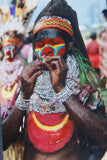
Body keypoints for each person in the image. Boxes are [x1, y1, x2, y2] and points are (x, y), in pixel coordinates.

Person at [2, 0, 107, 160]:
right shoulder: (27, 81)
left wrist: (61, 90)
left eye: (54, 43)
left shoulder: (84, 81)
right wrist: (24, 96)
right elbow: (3, 141)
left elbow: (103, 136)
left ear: (70, 43)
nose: (47, 51)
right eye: (40, 44)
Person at [0, 18, 25, 120]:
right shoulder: (1, 68)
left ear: (16, 48)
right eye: (6, 49)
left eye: (10, 49)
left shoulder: (23, 68)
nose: (7, 52)